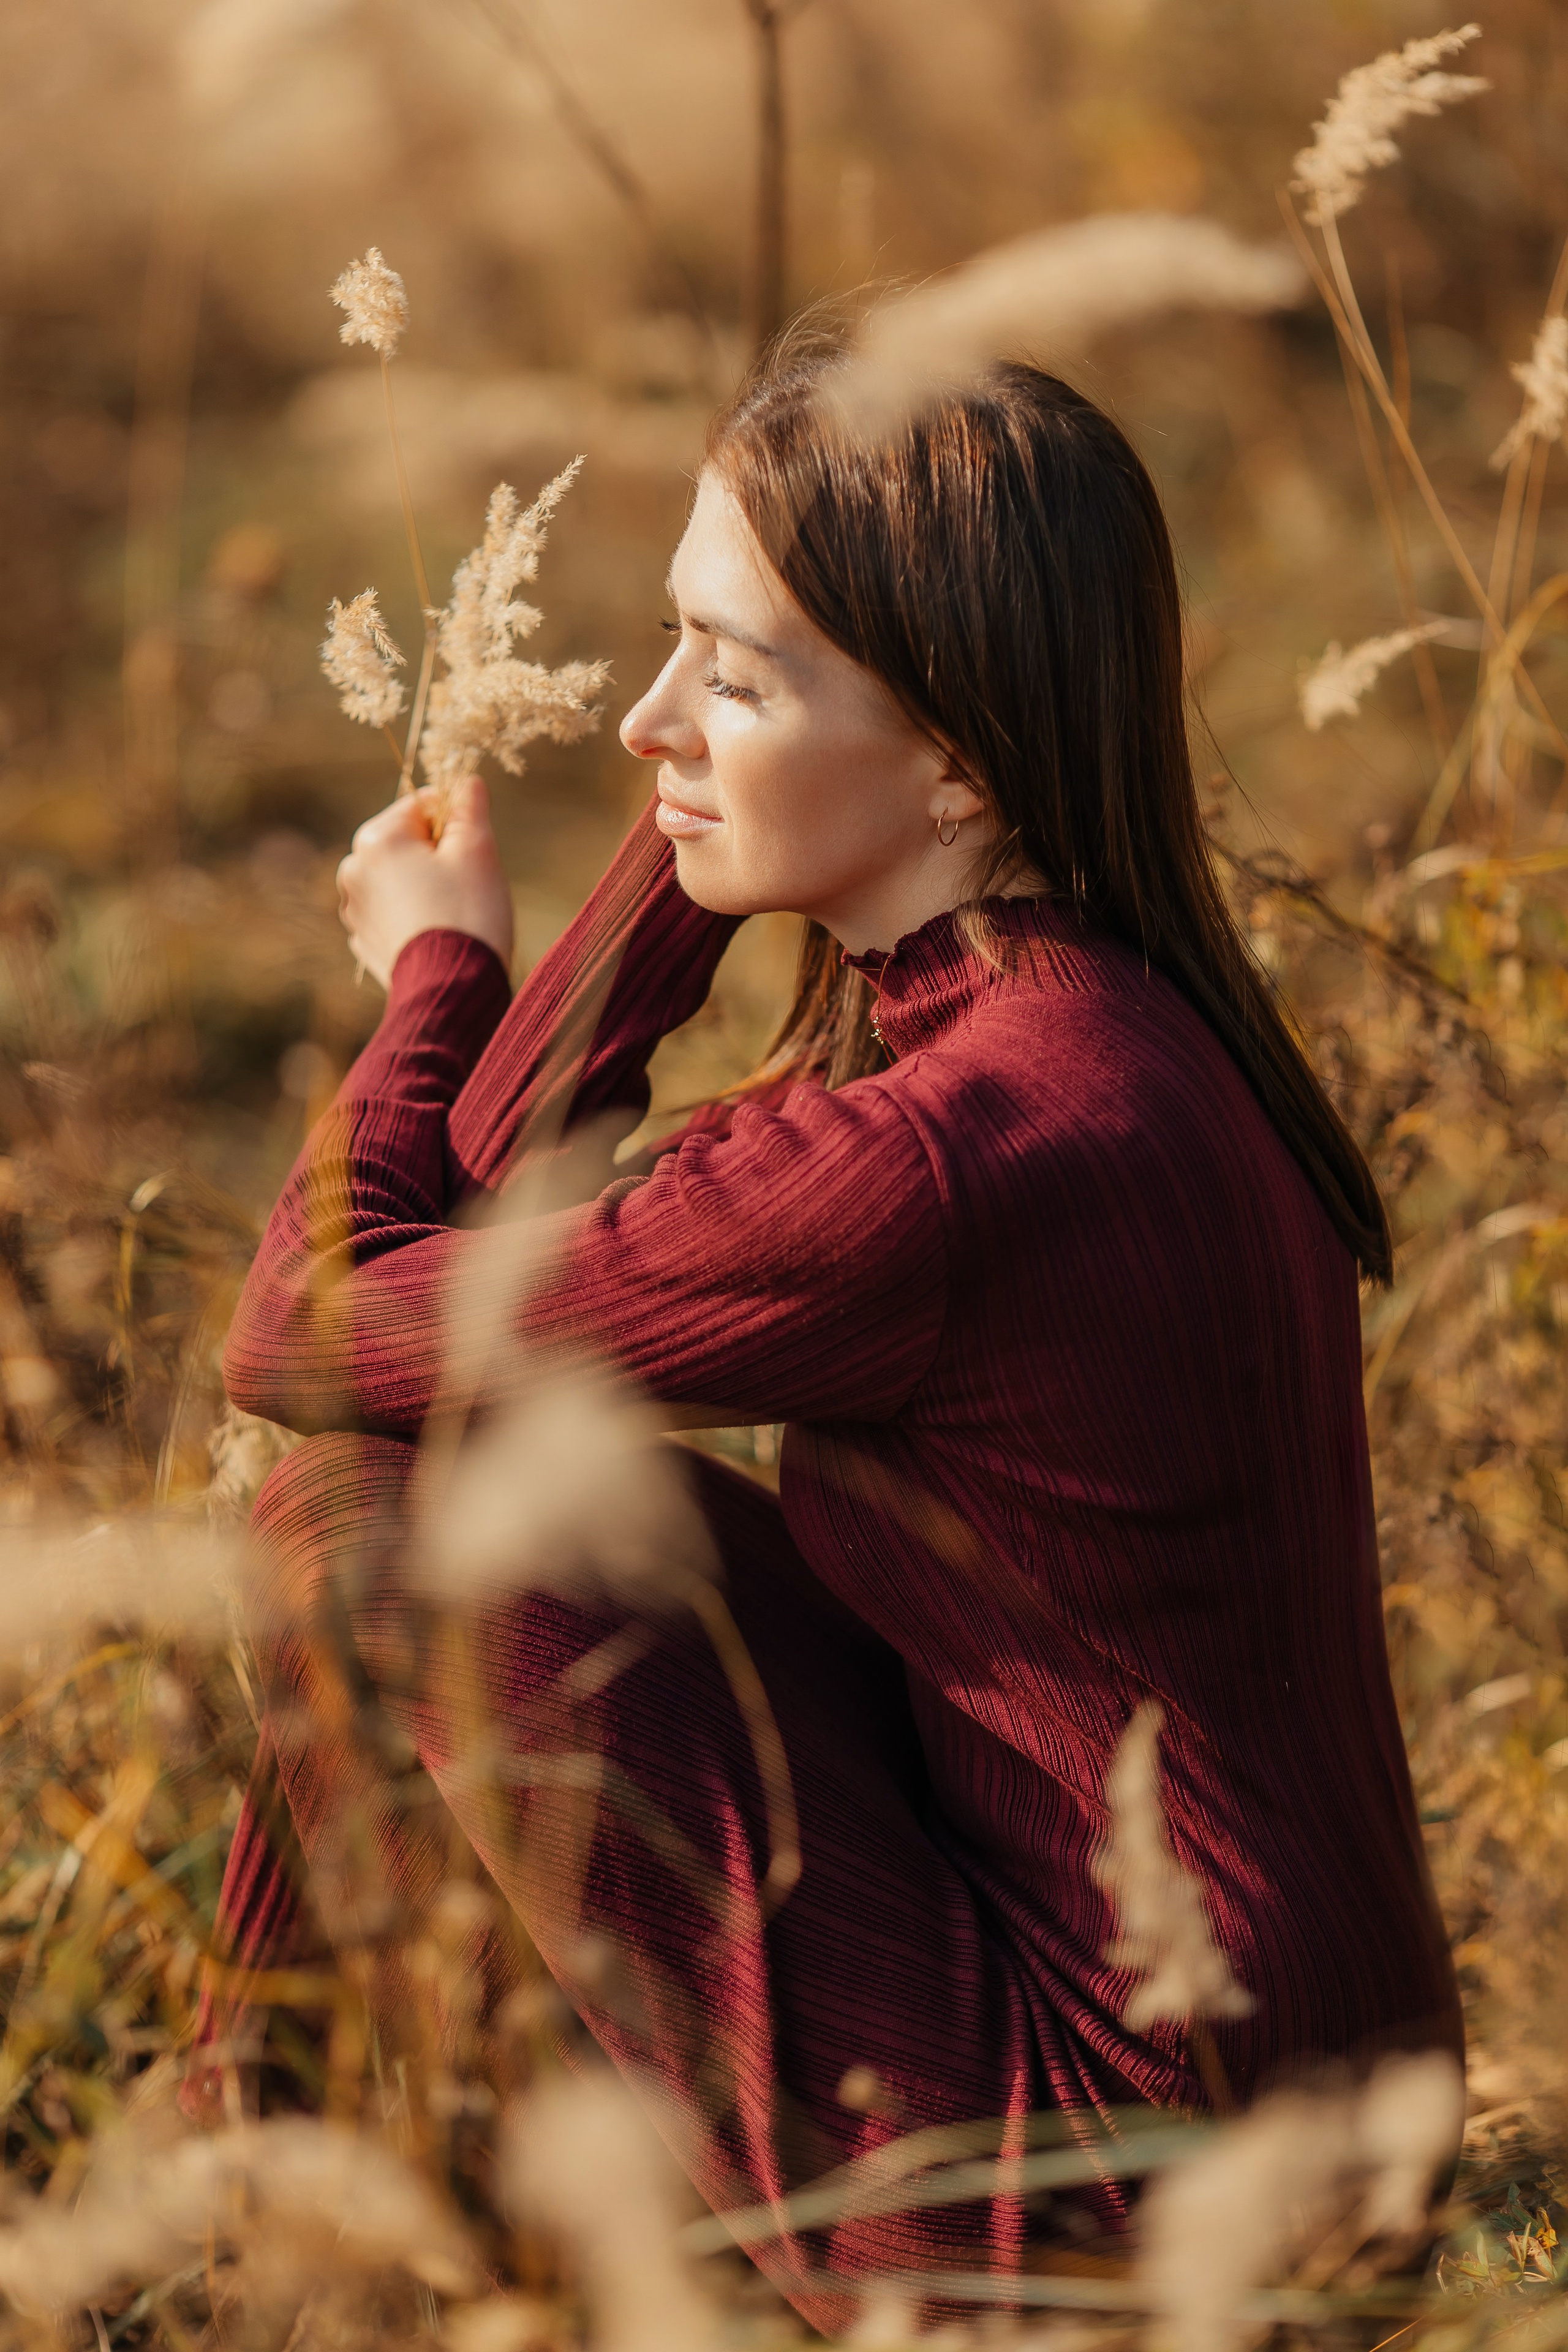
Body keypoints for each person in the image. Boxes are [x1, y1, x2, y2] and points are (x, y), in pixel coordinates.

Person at [188, 351, 1461, 2323]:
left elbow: (310, 1330)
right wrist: (701, 858)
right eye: (670, 642)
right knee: (496, 1486)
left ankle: (218, 2230)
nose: (642, 719)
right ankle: (257, 2204)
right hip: (1316, 2084)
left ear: (959, 759)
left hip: (1139, 2166)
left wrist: (440, 977)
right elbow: (474, 1264)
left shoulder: (950, 1153)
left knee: (364, 1521)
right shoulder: (1096, 1016)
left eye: (736, 673)